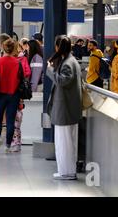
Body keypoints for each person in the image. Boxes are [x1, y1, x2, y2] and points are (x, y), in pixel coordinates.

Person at [46, 35, 82, 180]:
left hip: (65, 108)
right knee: (68, 141)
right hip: (68, 108)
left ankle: (66, 172)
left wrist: (50, 70)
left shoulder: (68, 63)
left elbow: (62, 81)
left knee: (64, 142)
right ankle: (68, 171)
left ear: (58, 47)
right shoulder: (71, 61)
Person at [0, 39, 31, 153]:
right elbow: (23, 78)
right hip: (14, 94)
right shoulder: (18, 63)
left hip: (0, 94)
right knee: (10, 121)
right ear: (14, 49)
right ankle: (8, 145)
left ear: (3, 48)